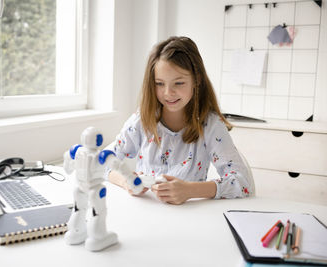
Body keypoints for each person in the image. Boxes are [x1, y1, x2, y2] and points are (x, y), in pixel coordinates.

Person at [107, 36, 253, 205]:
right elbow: (103, 162)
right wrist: (125, 181)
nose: (168, 92)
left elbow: (242, 183)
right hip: (145, 216)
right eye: (159, 83)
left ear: (196, 80)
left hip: (189, 218)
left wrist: (189, 190)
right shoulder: (142, 120)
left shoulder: (210, 126)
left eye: (179, 83)